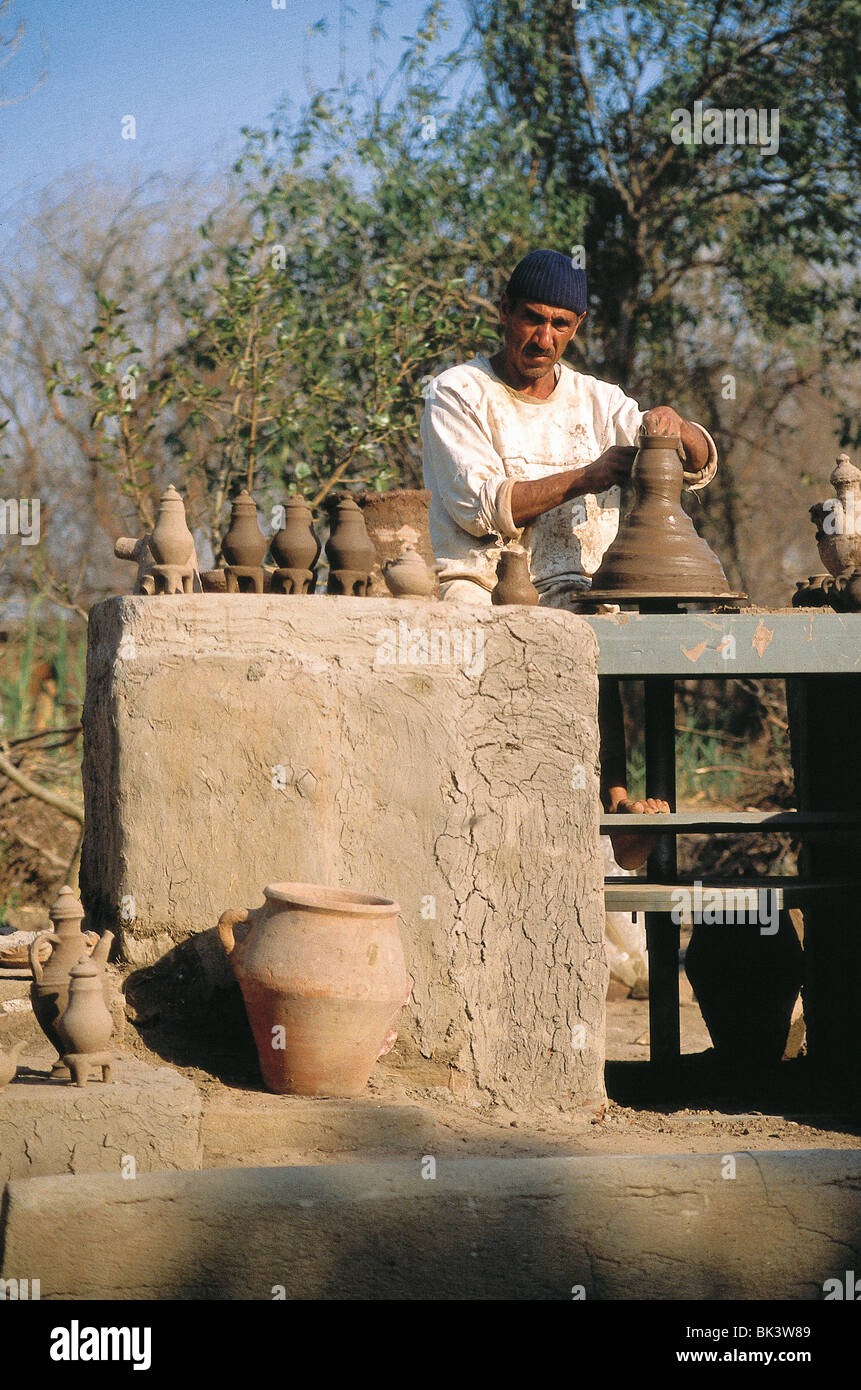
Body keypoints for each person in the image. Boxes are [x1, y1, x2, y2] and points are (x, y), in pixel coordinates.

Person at [421, 248, 718, 869]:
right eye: (532, 318)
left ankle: (621, 813)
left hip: (580, 587)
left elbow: (694, 463)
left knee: (598, 626)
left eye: (561, 324)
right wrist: (584, 476)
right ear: (503, 313)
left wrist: (677, 426)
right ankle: (555, 823)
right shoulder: (458, 392)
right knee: (525, 639)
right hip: (483, 586)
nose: (544, 337)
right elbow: (483, 508)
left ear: (577, 327)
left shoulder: (597, 401)